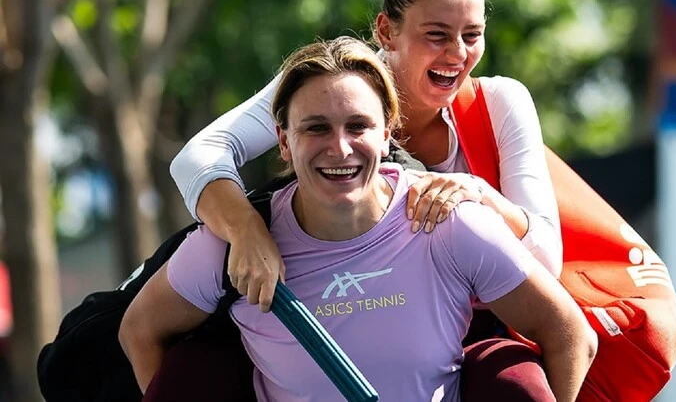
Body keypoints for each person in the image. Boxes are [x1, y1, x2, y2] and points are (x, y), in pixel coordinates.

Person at [169, 0, 564, 399]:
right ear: (386, 32)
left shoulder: (500, 101)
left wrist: (476, 194)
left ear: (388, 129)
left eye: (472, 35)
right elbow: (199, 155)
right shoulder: (337, 82)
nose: (458, 53)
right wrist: (246, 232)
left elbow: (546, 263)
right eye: (436, 35)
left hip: (466, 329)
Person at [120, 37, 596, 402]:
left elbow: (571, 334)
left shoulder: (447, 223)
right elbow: (139, 331)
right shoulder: (232, 247)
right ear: (283, 142)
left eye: (358, 126)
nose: (340, 147)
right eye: (316, 128)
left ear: (387, 134)